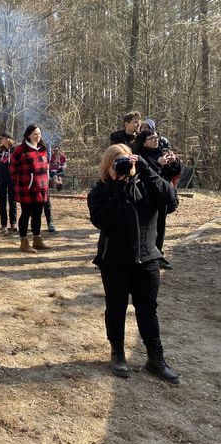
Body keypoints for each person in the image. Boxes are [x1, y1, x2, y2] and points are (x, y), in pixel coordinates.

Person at [87, 144, 180, 384]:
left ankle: (156, 359)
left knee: (148, 310)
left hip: (148, 258)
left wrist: (148, 170)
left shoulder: (148, 184)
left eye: (126, 162)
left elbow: (171, 202)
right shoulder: (100, 191)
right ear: (106, 166)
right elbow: (101, 221)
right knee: (116, 307)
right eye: (116, 163)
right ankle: (117, 353)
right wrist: (118, 189)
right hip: (115, 261)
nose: (123, 167)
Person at [131, 130, 182, 270]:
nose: (156, 140)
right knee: (149, 228)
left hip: (162, 196)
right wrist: (159, 164)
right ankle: (148, 255)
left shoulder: (161, 152)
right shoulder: (140, 156)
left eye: (156, 137)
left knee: (161, 228)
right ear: (144, 141)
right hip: (147, 197)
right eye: (151, 138)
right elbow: (147, 176)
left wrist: (174, 162)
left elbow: (173, 174)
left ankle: (158, 255)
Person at [10, 124, 50, 253]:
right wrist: (20, 183)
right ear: (28, 135)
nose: (37, 136)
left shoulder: (42, 148)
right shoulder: (20, 150)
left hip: (41, 188)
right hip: (26, 189)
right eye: (35, 134)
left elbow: (46, 166)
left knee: (38, 215)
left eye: (39, 134)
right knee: (26, 214)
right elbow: (12, 169)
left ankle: (37, 240)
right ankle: (24, 242)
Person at [0, 132, 17, 233]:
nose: (0, 140)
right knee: (2, 202)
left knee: (12, 201)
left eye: (2, 138)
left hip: (12, 179)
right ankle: (4, 224)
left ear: (7, 139)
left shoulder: (15, 150)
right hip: (1, 179)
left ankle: (13, 223)